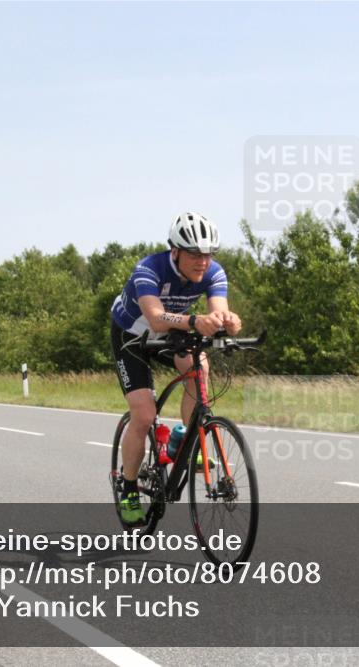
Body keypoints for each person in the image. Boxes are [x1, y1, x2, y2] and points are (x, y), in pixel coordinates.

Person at [110, 212, 242, 525]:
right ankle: (128, 488)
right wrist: (196, 321)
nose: (203, 262)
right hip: (132, 337)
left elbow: (219, 313)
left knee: (201, 369)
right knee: (144, 415)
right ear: (176, 252)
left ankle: (186, 439)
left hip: (171, 334)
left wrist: (229, 322)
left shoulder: (214, 272)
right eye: (195, 254)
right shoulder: (148, 269)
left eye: (208, 254)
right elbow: (156, 318)